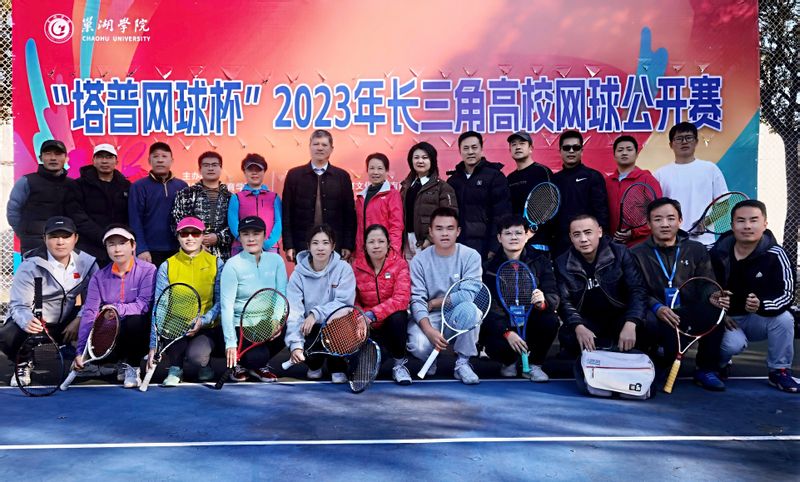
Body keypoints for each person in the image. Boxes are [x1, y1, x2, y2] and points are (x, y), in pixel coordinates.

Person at [630, 198, 728, 391]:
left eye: (670, 218)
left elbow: (706, 283)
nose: (665, 224)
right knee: (646, 320)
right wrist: (657, 307)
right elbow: (636, 289)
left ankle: (706, 369)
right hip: (657, 312)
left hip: (687, 310)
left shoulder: (696, 249)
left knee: (714, 311)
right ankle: (654, 361)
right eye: (658, 219)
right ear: (649, 223)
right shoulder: (636, 253)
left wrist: (713, 296)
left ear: (680, 221)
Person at [710, 200, 798, 393]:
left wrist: (761, 305)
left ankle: (779, 371)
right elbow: (701, 287)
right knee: (732, 344)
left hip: (758, 318)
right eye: (741, 221)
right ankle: (719, 365)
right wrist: (718, 312)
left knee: (785, 319)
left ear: (765, 224)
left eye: (754, 220)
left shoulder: (777, 254)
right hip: (726, 321)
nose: (747, 226)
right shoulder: (715, 252)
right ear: (732, 225)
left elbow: (787, 294)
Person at [0, 217, 98, 386]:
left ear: (75, 238)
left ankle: (82, 358)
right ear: (44, 238)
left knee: (101, 319)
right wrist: (27, 321)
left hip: (68, 323)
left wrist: (80, 318)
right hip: (39, 321)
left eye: (66, 236)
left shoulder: (88, 263)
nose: (60, 242)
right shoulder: (29, 266)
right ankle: (23, 361)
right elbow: (18, 305)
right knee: (7, 335)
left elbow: (94, 299)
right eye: (54, 236)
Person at [408, 207, 483, 384]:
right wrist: (429, 331)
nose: (444, 233)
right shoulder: (419, 261)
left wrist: (434, 302)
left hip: (456, 313)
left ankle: (462, 363)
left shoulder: (471, 256)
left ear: (458, 231)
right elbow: (417, 300)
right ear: (430, 232)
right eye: (439, 228)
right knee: (418, 345)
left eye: (450, 228)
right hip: (431, 317)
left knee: (472, 310)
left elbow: (467, 295)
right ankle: (430, 359)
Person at [75, 225, 157, 388]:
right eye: (111, 244)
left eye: (122, 243)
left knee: (135, 320)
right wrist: (80, 351)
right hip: (111, 331)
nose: (117, 249)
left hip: (140, 332)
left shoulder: (148, 270)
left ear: (133, 246)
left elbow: (143, 305)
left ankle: (132, 367)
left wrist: (115, 309)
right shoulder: (99, 277)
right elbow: (90, 312)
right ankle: (118, 362)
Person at [554, 215, 647, 356]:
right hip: (587, 320)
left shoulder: (620, 252)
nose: (583, 239)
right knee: (568, 336)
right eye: (577, 235)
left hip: (620, 316)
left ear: (599, 232)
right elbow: (564, 302)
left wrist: (631, 322)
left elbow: (637, 289)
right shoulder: (562, 262)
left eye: (588, 232)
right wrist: (578, 326)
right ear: (571, 238)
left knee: (648, 323)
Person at [481, 216, 560, 381]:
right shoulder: (488, 267)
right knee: (488, 332)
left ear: (527, 235)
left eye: (518, 233)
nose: (513, 237)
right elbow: (489, 306)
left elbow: (553, 293)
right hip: (505, 326)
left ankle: (534, 364)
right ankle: (509, 361)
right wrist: (506, 332)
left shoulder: (541, 262)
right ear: (499, 238)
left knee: (550, 320)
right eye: (508, 233)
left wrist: (543, 302)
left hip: (530, 322)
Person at [148, 217, 223, 386]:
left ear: (202, 236)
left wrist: (203, 321)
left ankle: (204, 364)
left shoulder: (216, 263)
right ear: (178, 236)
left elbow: (220, 302)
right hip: (175, 326)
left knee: (198, 356)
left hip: (206, 327)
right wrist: (153, 345)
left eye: (195, 233)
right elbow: (160, 307)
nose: (190, 238)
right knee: (171, 329)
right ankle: (175, 368)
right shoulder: (167, 266)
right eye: (184, 233)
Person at [219, 216, 288, 382]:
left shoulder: (277, 261)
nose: (251, 238)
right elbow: (227, 307)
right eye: (245, 234)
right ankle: (244, 364)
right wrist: (231, 343)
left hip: (266, 323)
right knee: (256, 357)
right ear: (240, 238)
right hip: (241, 326)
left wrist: (276, 320)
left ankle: (258, 365)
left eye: (256, 233)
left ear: (264, 235)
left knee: (290, 330)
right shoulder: (232, 265)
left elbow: (281, 294)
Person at [284, 225, 357, 382]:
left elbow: (344, 304)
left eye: (325, 242)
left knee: (343, 326)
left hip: (335, 325)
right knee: (308, 349)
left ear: (333, 246)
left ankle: (337, 366)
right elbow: (294, 312)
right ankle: (314, 365)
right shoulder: (297, 274)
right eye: (315, 243)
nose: (320, 248)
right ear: (308, 246)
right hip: (310, 328)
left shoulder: (344, 269)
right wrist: (296, 345)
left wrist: (315, 314)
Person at [282, 130, 356, 262]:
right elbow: (287, 212)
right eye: (316, 144)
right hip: (302, 243)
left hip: (335, 244)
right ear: (310, 146)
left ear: (331, 149)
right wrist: (289, 244)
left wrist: (348, 244)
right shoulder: (294, 175)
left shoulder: (342, 177)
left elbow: (349, 214)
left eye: (324, 144)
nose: (320, 148)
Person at [353, 224, 412, 384]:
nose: (376, 245)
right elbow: (354, 300)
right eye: (371, 242)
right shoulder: (356, 267)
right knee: (361, 367)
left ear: (388, 244)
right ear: (365, 246)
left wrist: (372, 315)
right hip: (366, 325)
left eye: (381, 241)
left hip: (389, 324)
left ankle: (399, 365)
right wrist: (360, 316)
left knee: (399, 316)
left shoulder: (400, 265)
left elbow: (401, 299)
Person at [7, 139, 89, 254]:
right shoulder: (26, 181)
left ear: (66, 158)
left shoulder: (73, 184)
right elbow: (13, 211)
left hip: (65, 247)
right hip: (34, 245)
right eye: (48, 154)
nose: (53, 158)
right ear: (41, 158)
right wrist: (24, 234)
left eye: (58, 154)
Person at [654, 122, 728, 245]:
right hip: (671, 242)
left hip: (704, 242)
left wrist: (705, 222)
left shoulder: (710, 169)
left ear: (696, 142)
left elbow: (723, 205)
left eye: (688, 138)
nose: (684, 142)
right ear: (671, 144)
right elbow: (655, 209)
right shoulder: (660, 174)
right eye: (679, 138)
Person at [447, 130, 512, 259]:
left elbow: (502, 214)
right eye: (466, 148)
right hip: (459, 246)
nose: (470, 152)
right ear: (460, 151)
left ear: (481, 149)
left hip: (485, 247)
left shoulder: (495, 176)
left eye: (474, 147)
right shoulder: (453, 181)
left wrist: (494, 247)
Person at [128, 142, 188, 267]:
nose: (160, 160)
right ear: (149, 160)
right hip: (150, 251)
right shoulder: (138, 186)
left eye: (164, 156)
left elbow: (187, 219)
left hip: (179, 248)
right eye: (155, 156)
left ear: (172, 160)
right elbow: (135, 220)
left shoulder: (182, 186)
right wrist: (141, 248)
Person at [551, 131, 610, 256]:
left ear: (581, 151)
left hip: (588, 243)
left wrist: (601, 240)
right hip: (561, 245)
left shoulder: (593, 176)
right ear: (560, 151)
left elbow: (602, 213)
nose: (571, 151)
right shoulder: (554, 180)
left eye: (576, 147)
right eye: (567, 148)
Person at [399, 141, 458, 260]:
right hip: (407, 242)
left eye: (425, 157)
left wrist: (430, 240)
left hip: (429, 243)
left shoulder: (443, 187)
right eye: (416, 157)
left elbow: (450, 217)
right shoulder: (406, 187)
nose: (420, 161)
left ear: (432, 161)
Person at [75, 143, 131, 266]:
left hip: (118, 246)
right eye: (100, 157)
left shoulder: (126, 186)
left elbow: (130, 215)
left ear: (116, 161)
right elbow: (78, 216)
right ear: (93, 161)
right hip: (88, 247)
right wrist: (102, 236)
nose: (104, 161)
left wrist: (120, 237)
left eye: (109, 157)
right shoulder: (79, 185)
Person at [171, 151, 233, 260]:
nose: (210, 168)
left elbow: (234, 226)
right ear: (200, 169)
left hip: (223, 255)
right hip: (191, 254)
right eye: (206, 165)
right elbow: (176, 222)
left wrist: (219, 237)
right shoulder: (185, 194)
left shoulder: (230, 197)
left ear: (221, 168)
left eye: (214, 165)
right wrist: (196, 241)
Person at [605, 135, 662, 247]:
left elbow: (657, 213)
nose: (624, 153)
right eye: (620, 150)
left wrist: (634, 232)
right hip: (613, 245)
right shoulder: (607, 182)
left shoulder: (647, 179)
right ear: (614, 155)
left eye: (629, 149)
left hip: (641, 245)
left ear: (636, 154)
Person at [505, 131, 556, 252]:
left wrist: (532, 230)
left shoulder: (542, 171)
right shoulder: (510, 178)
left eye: (522, 143)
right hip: (516, 241)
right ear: (510, 150)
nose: (517, 147)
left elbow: (552, 204)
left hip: (538, 241)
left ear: (531, 148)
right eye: (514, 144)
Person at [227, 153, 281, 255]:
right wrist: (243, 240)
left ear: (264, 171)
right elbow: (233, 222)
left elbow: (278, 222)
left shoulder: (274, 197)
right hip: (242, 248)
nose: (254, 173)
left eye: (258, 170)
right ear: (244, 172)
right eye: (250, 169)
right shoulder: (236, 197)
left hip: (269, 248)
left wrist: (268, 243)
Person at [354, 153, 403, 255]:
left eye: (380, 168)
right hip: (363, 251)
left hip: (383, 251)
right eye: (372, 168)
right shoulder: (361, 197)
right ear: (367, 170)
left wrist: (392, 251)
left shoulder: (392, 195)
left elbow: (396, 226)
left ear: (386, 171)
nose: (375, 172)